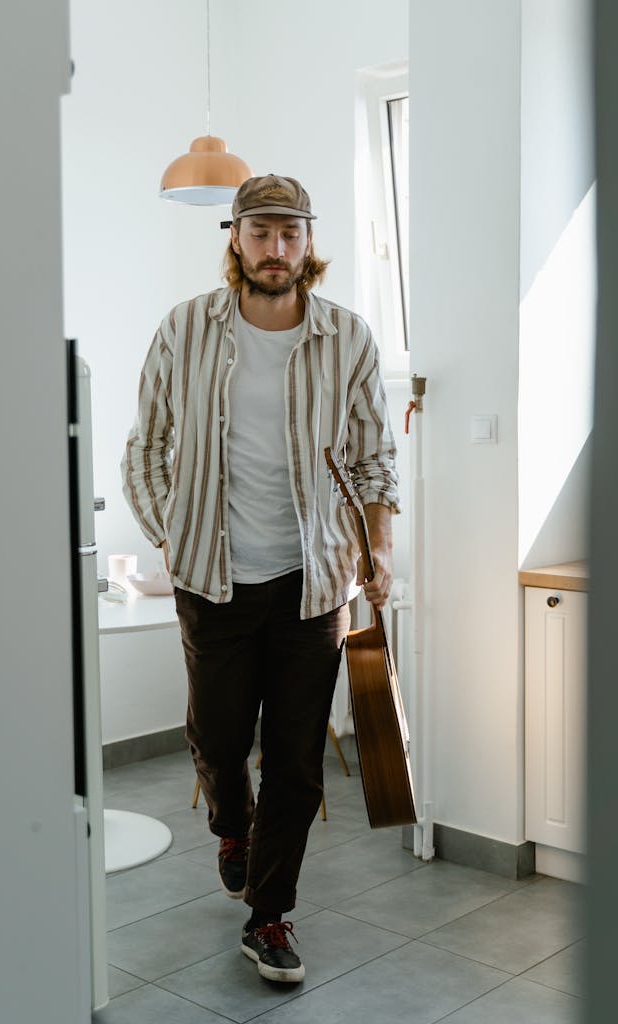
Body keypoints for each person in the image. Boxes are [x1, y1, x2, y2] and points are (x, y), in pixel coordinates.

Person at [121, 173, 400, 984]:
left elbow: (373, 458)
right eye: (260, 233)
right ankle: (231, 827)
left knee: (296, 758)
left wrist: (377, 547)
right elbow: (145, 448)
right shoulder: (185, 328)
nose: (275, 248)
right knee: (217, 736)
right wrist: (171, 531)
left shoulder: (347, 337)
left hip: (313, 581)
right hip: (211, 578)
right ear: (235, 241)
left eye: (290, 233)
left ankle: (269, 913)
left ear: (308, 242)